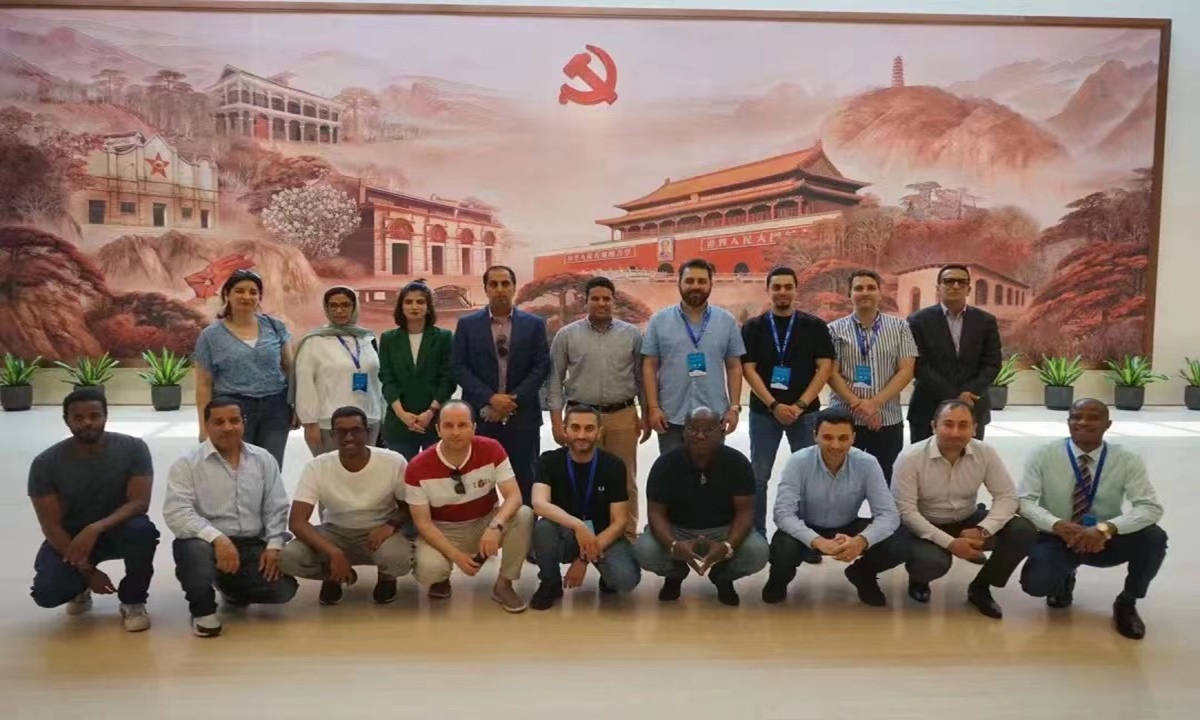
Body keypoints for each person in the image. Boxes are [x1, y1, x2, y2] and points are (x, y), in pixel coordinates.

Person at [1019, 398, 1167, 640]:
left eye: (1093, 417)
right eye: (1076, 417)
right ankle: (1064, 576)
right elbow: (1024, 502)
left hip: (1104, 538)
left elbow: (1149, 507)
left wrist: (1107, 528)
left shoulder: (1126, 459)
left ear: (1108, 424)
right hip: (1057, 536)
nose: (1083, 422)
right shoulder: (1044, 454)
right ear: (1068, 422)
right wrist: (1055, 524)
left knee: (1154, 538)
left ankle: (1127, 602)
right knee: (1036, 585)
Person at [163, 397, 298, 637]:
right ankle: (203, 609)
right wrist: (218, 539)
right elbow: (177, 512)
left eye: (234, 420)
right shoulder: (187, 464)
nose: (227, 427)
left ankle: (230, 587)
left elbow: (276, 506)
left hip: (250, 544)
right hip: (206, 544)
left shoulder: (263, 459)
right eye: (219, 422)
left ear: (244, 423)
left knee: (282, 590)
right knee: (193, 551)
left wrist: (274, 545)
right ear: (206, 425)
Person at [27, 389, 159, 632]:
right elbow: (50, 525)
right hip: (72, 539)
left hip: (119, 529)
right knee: (47, 593)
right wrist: (87, 573)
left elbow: (140, 502)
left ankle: (133, 601)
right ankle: (79, 588)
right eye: (78, 417)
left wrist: (96, 527)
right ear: (67, 420)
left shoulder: (133, 448)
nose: (87, 422)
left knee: (143, 530)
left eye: (94, 415)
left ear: (106, 416)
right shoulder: (45, 464)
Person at [893, 400, 1037, 619]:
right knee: (932, 563)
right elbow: (906, 512)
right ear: (934, 426)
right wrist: (951, 544)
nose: (955, 432)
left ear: (974, 428)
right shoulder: (910, 458)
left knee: (1023, 530)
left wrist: (984, 530)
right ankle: (920, 580)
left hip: (968, 518)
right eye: (948, 424)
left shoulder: (985, 452)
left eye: (963, 425)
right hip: (926, 523)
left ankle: (980, 587)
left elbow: (1007, 496)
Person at [762, 408, 909, 608]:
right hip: (807, 526)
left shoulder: (867, 463)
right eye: (828, 437)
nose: (835, 445)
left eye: (843, 438)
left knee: (900, 540)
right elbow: (782, 513)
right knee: (783, 547)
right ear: (815, 436)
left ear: (853, 438)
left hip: (847, 526)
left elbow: (888, 514)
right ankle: (779, 579)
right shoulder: (798, 461)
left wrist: (861, 541)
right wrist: (817, 541)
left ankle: (862, 573)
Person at [404, 400, 535, 613]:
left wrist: (495, 526)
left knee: (524, 514)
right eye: (448, 425)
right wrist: (457, 556)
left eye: (462, 425)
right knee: (429, 570)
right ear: (437, 430)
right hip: (443, 529)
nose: (455, 432)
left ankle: (504, 584)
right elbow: (423, 523)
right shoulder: (417, 468)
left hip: (483, 522)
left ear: (474, 428)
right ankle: (442, 577)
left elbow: (514, 497)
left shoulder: (492, 449)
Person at [547, 276, 649, 540]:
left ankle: (626, 535)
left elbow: (641, 377)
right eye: (595, 298)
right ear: (585, 301)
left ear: (613, 302)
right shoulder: (566, 335)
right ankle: (580, 534)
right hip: (580, 418)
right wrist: (557, 421)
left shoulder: (632, 335)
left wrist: (646, 413)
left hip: (622, 416)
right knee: (581, 476)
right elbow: (555, 379)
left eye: (606, 299)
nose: (601, 303)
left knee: (624, 478)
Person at [278, 406, 413, 606]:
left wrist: (389, 526)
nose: (349, 437)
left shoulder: (392, 461)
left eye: (356, 430)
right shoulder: (317, 467)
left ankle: (386, 577)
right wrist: (334, 552)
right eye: (341, 432)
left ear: (368, 433)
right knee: (287, 557)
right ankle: (334, 575)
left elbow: (409, 506)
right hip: (334, 532)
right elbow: (297, 522)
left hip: (378, 532)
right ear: (332, 435)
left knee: (399, 559)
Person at [634, 407, 768, 606]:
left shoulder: (737, 463)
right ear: (683, 431)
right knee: (645, 550)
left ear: (721, 430)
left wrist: (728, 546)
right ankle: (675, 574)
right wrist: (673, 545)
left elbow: (745, 513)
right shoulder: (665, 464)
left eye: (708, 430)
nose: (700, 435)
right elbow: (655, 513)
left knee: (758, 552)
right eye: (693, 429)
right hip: (678, 530)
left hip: (723, 530)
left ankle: (723, 577)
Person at [741, 266, 834, 536]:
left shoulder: (814, 326)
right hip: (763, 413)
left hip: (805, 415)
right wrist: (774, 405)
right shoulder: (753, 327)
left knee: (809, 477)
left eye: (787, 287)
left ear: (796, 290)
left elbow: (825, 367)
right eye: (776, 287)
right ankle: (757, 534)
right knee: (758, 477)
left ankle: (808, 536)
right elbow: (749, 370)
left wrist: (801, 405)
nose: (782, 292)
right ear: (768, 291)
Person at [451, 265, 550, 505]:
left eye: (505, 284)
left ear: (514, 287)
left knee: (525, 480)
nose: (500, 289)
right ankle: (482, 537)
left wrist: (511, 401)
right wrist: (491, 398)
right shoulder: (467, 325)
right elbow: (458, 367)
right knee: (479, 483)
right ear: (485, 289)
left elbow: (541, 367)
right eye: (493, 284)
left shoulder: (534, 324)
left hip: (523, 418)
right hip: (482, 418)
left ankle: (523, 539)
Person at [530, 404, 641, 610]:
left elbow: (619, 521)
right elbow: (539, 504)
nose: (581, 435)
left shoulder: (614, 465)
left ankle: (607, 577)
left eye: (589, 429)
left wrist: (583, 559)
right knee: (543, 528)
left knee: (626, 580)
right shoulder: (549, 460)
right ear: (565, 430)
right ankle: (550, 582)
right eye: (575, 428)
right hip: (566, 533)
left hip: (603, 535)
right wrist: (578, 526)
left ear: (599, 433)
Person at [194, 269, 295, 468]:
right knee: (237, 468)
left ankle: (267, 501)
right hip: (232, 411)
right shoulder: (210, 336)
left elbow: (289, 368)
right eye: (239, 291)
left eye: (253, 292)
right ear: (227, 295)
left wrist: (296, 406)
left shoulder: (275, 327)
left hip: (275, 408)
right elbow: (204, 384)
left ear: (259, 297)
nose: (246, 297)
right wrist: (204, 427)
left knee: (271, 466)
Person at [643, 259, 746, 455]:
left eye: (701, 281)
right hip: (670, 417)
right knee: (673, 476)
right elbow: (649, 366)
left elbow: (734, 367)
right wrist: (653, 408)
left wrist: (734, 408)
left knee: (711, 477)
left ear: (710, 284)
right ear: (679, 283)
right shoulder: (659, 321)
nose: (695, 286)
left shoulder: (727, 321)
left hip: (714, 417)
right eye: (689, 281)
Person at [827, 269, 917, 485]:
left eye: (871, 287)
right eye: (858, 288)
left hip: (886, 418)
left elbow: (906, 371)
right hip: (844, 420)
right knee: (842, 481)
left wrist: (874, 404)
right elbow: (830, 372)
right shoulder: (833, 330)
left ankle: (884, 520)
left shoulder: (900, 327)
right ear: (849, 293)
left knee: (886, 481)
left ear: (879, 292)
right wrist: (858, 404)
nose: (864, 292)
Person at [907, 263, 1002, 444]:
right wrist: (957, 396)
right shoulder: (917, 321)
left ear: (969, 289)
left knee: (968, 465)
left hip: (973, 406)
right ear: (938, 287)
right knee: (924, 465)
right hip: (928, 406)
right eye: (949, 281)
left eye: (961, 282)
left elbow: (992, 363)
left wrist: (969, 392)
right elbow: (919, 365)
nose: (955, 286)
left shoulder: (985, 321)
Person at [293, 286, 382, 456]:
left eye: (345, 305)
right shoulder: (314, 341)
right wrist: (310, 423)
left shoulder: (368, 338)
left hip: (369, 420)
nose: (339, 310)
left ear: (354, 307)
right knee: (331, 475)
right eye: (333, 306)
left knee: (365, 475)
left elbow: (378, 380)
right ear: (326, 308)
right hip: (329, 423)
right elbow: (305, 384)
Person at [379, 280, 456, 459]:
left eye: (420, 302)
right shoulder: (389, 338)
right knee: (402, 480)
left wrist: (430, 412)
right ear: (401, 307)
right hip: (399, 422)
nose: (414, 306)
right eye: (408, 302)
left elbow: (448, 379)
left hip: (435, 421)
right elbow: (387, 379)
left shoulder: (444, 337)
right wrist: (402, 414)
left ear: (428, 307)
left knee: (436, 478)